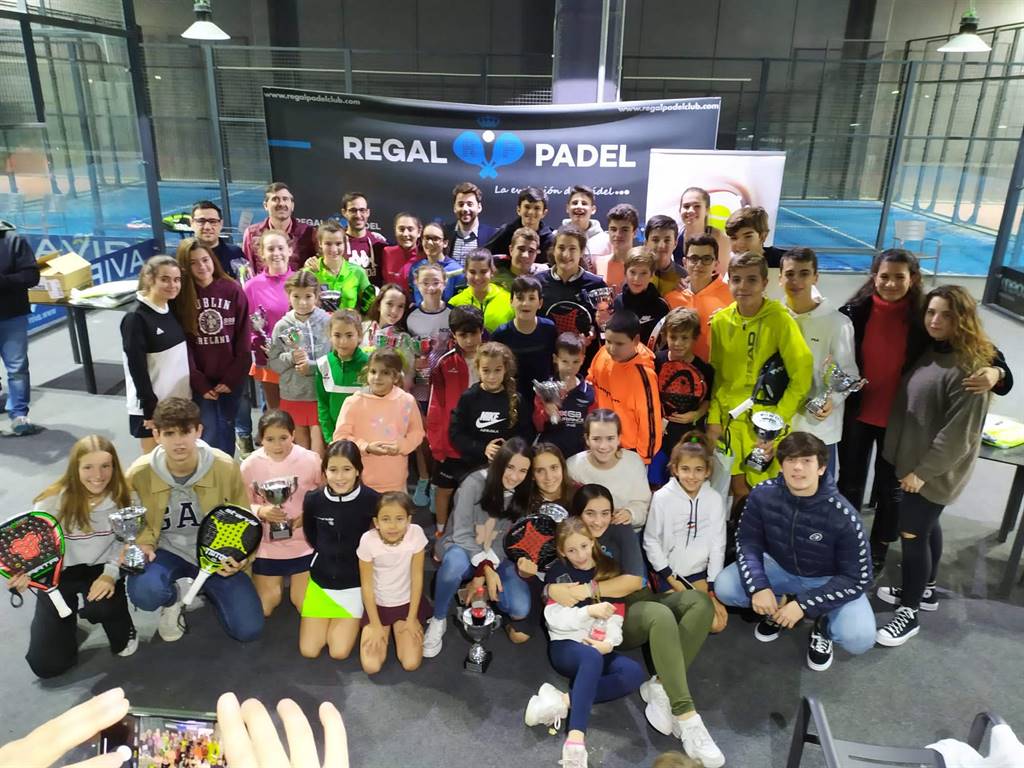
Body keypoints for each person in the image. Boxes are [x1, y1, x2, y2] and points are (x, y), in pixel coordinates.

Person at [549, 485, 723, 767]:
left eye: (605, 513)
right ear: (577, 515)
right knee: (659, 615)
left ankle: (662, 686)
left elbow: (634, 581)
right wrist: (552, 590)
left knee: (699, 603)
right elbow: (554, 587)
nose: (598, 521)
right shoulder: (574, 544)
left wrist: (586, 589)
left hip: (638, 601)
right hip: (617, 619)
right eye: (590, 513)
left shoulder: (620, 530)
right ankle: (686, 715)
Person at [875, 286, 996, 647]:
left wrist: (921, 473)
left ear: (963, 319)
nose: (935, 320)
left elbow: (958, 436)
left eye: (946, 314)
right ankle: (925, 589)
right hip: (912, 464)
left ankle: (909, 612)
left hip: (930, 473)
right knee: (928, 528)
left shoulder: (971, 369)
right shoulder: (934, 350)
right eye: (931, 312)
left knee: (912, 538)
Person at [714, 431, 875, 671]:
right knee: (725, 587)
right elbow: (748, 542)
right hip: (778, 567)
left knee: (859, 638)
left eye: (807, 460)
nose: (798, 467)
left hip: (827, 580)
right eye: (791, 460)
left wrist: (804, 606)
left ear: (821, 468)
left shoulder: (844, 516)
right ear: (781, 465)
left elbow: (858, 577)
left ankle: (823, 626)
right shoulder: (762, 495)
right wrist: (759, 586)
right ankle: (780, 605)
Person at [126, 397, 263, 643]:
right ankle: (172, 598)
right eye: (170, 433)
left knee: (248, 630)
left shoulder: (225, 466)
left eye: (186, 432)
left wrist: (242, 559)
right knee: (145, 592)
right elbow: (135, 523)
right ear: (156, 435)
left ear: (198, 431)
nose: (179, 442)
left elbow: (245, 520)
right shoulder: (139, 473)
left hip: (215, 555)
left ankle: (204, 587)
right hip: (166, 552)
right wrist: (142, 544)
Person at [525, 516, 645, 768]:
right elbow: (554, 620)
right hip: (565, 646)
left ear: (592, 541)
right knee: (590, 657)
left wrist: (609, 643)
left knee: (634, 673)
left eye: (583, 546)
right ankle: (576, 741)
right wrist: (588, 612)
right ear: (562, 551)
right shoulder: (558, 574)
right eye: (571, 550)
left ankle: (562, 702)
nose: (579, 555)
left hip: (598, 646)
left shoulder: (609, 570)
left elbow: (616, 618)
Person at [12, 436, 137, 678]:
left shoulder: (126, 497)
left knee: (102, 609)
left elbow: (127, 543)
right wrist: (26, 575)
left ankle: (120, 623)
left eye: (105, 466)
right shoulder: (50, 502)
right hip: (59, 572)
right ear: (75, 468)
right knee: (47, 666)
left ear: (114, 467)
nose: (98, 475)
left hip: (101, 568)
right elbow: (34, 551)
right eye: (88, 467)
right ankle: (66, 623)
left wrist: (110, 575)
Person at [706, 251, 813, 507]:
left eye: (751, 279)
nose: (743, 286)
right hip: (730, 420)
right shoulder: (720, 321)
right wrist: (713, 420)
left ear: (765, 283)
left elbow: (801, 376)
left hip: (765, 423)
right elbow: (717, 374)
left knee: (763, 492)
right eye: (736, 279)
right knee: (735, 489)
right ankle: (736, 532)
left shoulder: (781, 320)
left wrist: (775, 423)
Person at [424, 438, 534, 658]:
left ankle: (478, 594)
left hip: (497, 555)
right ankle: (438, 618)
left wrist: (486, 569)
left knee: (520, 608)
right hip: (462, 547)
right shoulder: (473, 483)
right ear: (499, 463)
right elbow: (461, 533)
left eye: (523, 471)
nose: (514, 476)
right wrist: (484, 568)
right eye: (510, 467)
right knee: (454, 564)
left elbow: (510, 539)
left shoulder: (523, 492)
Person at [299, 439, 380, 660]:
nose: (340, 477)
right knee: (309, 651)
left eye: (347, 469)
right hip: (321, 582)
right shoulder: (313, 499)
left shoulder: (372, 500)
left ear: (358, 470)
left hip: (354, 585)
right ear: (324, 471)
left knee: (339, 652)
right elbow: (311, 534)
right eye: (333, 470)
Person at [781, 248, 858, 478]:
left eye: (804, 273)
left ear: (816, 277)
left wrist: (832, 401)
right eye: (790, 274)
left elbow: (849, 374)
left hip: (817, 431)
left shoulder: (837, 323)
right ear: (780, 278)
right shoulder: (775, 317)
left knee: (816, 496)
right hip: (780, 427)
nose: (796, 280)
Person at [240, 410, 322, 617]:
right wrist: (261, 510)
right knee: (265, 607)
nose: (278, 445)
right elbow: (240, 504)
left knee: (305, 605)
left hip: (305, 543)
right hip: (267, 545)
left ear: (293, 434)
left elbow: (325, 495)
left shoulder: (311, 460)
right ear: (260, 439)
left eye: (283, 438)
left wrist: (309, 514)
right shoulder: (249, 465)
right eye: (270, 439)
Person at [644, 432, 728, 633]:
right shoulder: (662, 498)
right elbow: (651, 541)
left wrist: (712, 585)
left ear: (707, 471)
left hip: (698, 573)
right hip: (668, 573)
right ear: (675, 469)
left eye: (698, 470)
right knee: (692, 616)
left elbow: (718, 545)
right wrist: (669, 577)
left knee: (717, 624)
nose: (692, 476)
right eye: (685, 469)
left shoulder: (714, 499)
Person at [174, 237, 251, 457]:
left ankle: (225, 470)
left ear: (213, 260)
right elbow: (183, 345)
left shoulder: (232, 289)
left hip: (230, 376)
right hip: (201, 380)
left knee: (228, 426)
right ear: (185, 267)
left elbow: (243, 337)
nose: (202, 266)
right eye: (193, 263)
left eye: (205, 260)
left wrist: (233, 376)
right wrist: (198, 379)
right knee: (207, 430)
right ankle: (208, 470)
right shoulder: (180, 297)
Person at [120, 254, 190, 453]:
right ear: (150, 279)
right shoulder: (135, 318)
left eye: (176, 280)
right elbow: (136, 366)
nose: (172, 285)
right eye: (165, 279)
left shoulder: (171, 307)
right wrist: (149, 407)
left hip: (179, 402)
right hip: (153, 407)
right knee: (154, 462)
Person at [426, 305, 484, 536]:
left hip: (482, 442)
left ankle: (475, 534)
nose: (469, 340)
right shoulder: (444, 363)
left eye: (473, 333)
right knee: (444, 490)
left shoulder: (494, 359)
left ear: (482, 330)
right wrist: (437, 446)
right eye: (462, 335)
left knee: (478, 491)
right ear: (453, 335)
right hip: (450, 443)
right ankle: (440, 532)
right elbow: (435, 407)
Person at [357, 491, 429, 674]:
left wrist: (412, 619)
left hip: (407, 604)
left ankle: (399, 631)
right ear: (376, 522)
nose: (393, 526)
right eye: (386, 519)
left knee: (411, 663)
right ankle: (384, 630)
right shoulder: (368, 540)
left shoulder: (416, 534)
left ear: (408, 520)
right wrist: (375, 625)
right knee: (371, 666)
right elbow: (367, 585)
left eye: (399, 518)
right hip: (378, 605)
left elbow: (417, 577)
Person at [334, 348, 424, 493]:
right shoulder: (354, 402)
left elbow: (417, 432)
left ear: (396, 377)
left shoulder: (407, 401)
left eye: (385, 373)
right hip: (360, 482)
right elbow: (340, 437)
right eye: (373, 372)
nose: (377, 377)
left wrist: (402, 446)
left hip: (396, 480)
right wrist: (366, 447)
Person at [586, 310, 662, 466]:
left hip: (628, 451)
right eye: (608, 341)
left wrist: (643, 460)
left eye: (619, 344)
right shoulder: (602, 354)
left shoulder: (644, 376)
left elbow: (650, 423)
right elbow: (590, 382)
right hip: (599, 442)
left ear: (636, 340)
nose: (612, 348)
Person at [267, 271, 331, 455]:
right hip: (293, 395)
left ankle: (319, 473)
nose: (302, 302)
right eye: (296, 296)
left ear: (317, 296)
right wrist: (291, 358)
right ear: (288, 296)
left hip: (320, 393)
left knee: (319, 443)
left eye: (308, 296)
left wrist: (312, 366)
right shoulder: (282, 326)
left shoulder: (327, 322)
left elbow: (335, 358)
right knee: (300, 445)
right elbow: (273, 363)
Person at [649, 308, 713, 487]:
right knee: (655, 483)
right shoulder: (655, 361)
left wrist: (696, 414)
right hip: (659, 439)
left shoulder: (705, 369)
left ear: (695, 338)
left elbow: (708, 400)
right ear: (665, 336)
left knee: (685, 484)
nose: (678, 343)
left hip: (688, 436)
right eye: (673, 337)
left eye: (684, 338)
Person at [567, 410, 651, 531]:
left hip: (625, 531)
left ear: (619, 438)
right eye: (596, 439)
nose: (603, 446)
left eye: (610, 438)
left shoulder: (633, 461)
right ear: (587, 439)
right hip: (587, 533)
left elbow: (644, 505)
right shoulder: (573, 466)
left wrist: (630, 513)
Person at [448, 341, 524, 471]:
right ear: (478, 369)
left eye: (497, 370)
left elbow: (525, 435)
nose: (492, 376)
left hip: (507, 467)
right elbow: (456, 435)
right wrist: (483, 448)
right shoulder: (468, 398)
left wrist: (508, 450)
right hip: (472, 467)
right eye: (486, 370)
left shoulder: (516, 399)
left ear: (505, 369)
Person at [243, 229, 295, 414]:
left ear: (290, 250)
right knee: (277, 413)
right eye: (270, 249)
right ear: (262, 253)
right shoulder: (251, 287)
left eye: (280, 248)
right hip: (270, 360)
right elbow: (247, 326)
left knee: (300, 412)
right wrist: (257, 343)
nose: (276, 253)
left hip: (299, 360)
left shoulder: (301, 281)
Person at [492, 274, 557, 423]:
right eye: (520, 298)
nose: (525, 303)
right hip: (512, 401)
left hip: (544, 400)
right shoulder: (501, 334)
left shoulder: (549, 329)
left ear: (540, 303)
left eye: (531, 298)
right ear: (511, 301)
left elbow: (555, 365)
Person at [0, 228, 40, 436]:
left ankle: (19, 416)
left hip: (12, 316)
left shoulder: (13, 240)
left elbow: (32, 276)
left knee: (17, 368)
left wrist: (4, 281)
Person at [532, 332, 596, 459]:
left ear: (583, 360)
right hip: (549, 457)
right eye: (565, 361)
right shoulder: (545, 390)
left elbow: (592, 429)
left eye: (575, 361)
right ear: (555, 359)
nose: (570, 367)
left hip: (578, 457)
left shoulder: (589, 392)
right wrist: (546, 412)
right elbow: (538, 426)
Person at [673, 234, 733, 363]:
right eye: (694, 258)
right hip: (679, 371)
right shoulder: (672, 298)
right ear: (685, 262)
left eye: (706, 259)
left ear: (716, 263)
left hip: (718, 371)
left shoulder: (732, 297)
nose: (699, 264)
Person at [315, 309, 369, 446]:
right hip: (336, 439)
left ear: (359, 335)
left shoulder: (370, 365)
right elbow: (323, 404)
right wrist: (330, 438)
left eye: (349, 335)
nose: (343, 341)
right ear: (330, 336)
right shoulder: (323, 364)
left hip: (366, 439)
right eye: (337, 335)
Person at [241, 182, 316, 272]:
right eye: (275, 199)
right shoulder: (251, 234)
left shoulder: (308, 232)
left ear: (292, 205)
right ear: (265, 205)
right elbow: (247, 269)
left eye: (285, 199)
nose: (281, 203)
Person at [302, 220, 374, 313]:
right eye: (328, 244)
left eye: (338, 243)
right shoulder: (309, 272)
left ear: (344, 243)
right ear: (320, 243)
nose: (334, 249)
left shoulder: (358, 272)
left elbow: (370, 306)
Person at [447, 248, 514, 333]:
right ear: (465, 273)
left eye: (483, 272)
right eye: (472, 272)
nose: (477, 277)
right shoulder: (454, 303)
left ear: (492, 272)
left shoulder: (509, 300)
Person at [611, 248, 670, 344]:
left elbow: (665, 343)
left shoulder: (661, 306)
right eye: (632, 272)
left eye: (643, 273)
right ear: (625, 272)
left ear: (652, 275)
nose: (637, 279)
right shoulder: (617, 302)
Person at [671, 187, 731, 276]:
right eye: (686, 206)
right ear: (680, 210)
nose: (691, 210)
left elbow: (720, 276)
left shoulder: (720, 238)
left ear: (707, 210)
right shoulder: (674, 237)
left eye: (697, 206)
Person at [485, 186, 555, 257]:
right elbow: (485, 256)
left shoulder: (550, 240)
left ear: (544, 213)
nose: (531, 212)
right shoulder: (506, 232)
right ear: (518, 210)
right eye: (527, 207)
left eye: (537, 208)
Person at [404, 221, 463, 304]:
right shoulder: (415, 268)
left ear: (445, 243)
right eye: (426, 238)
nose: (430, 243)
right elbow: (413, 299)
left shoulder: (457, 271)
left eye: (435, 239)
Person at [444, 181, 497, 267]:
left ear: (479, 207)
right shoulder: (445, 233)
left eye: (470, 204)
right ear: (454, 208)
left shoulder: (493, 235)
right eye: (461, 204)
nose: (465, 209)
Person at [341, 191, 387, 286]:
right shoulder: (337, 243)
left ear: (368, 212)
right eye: (353, 210)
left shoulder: (379, 243)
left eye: (362, 210)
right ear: (344, 212)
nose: (358, 215)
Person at [190, 200, 243, 278]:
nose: (207, 227)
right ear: (191, 223)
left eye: (213, 221)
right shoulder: (181, 255)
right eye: (201, 221)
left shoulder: (235, 253)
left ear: (221, 224)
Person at [595, 203, 639, 294]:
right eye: (613, 229)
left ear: (635, 232)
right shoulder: (599, 262)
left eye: (624, 230)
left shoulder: (643, 265)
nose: (618, 235)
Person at [561, 184, 611, 261]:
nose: (579, 206)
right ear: (567, 208)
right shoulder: (556, 237)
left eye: (584, 203)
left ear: (593, 209)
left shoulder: (606, 241)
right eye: (575, 203)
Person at [643, 215, 686, 297]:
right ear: (646, 243)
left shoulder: (683, 277)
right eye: (655, 240)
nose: (661, 246)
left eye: (667, 240)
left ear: (675, 244)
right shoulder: (636, 272)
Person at [530, 442, 578, 512]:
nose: (549, 477)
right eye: (540, 471)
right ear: (532, 475)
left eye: (553, 467)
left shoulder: (579, 493)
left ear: (562, 467)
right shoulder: (523, 503)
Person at [380, 212, 420, 289]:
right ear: (395, 231)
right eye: (401, 229)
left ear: (419, 232)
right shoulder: (387, 252)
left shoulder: (425, 256)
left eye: (410, 229)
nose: (405, 234)